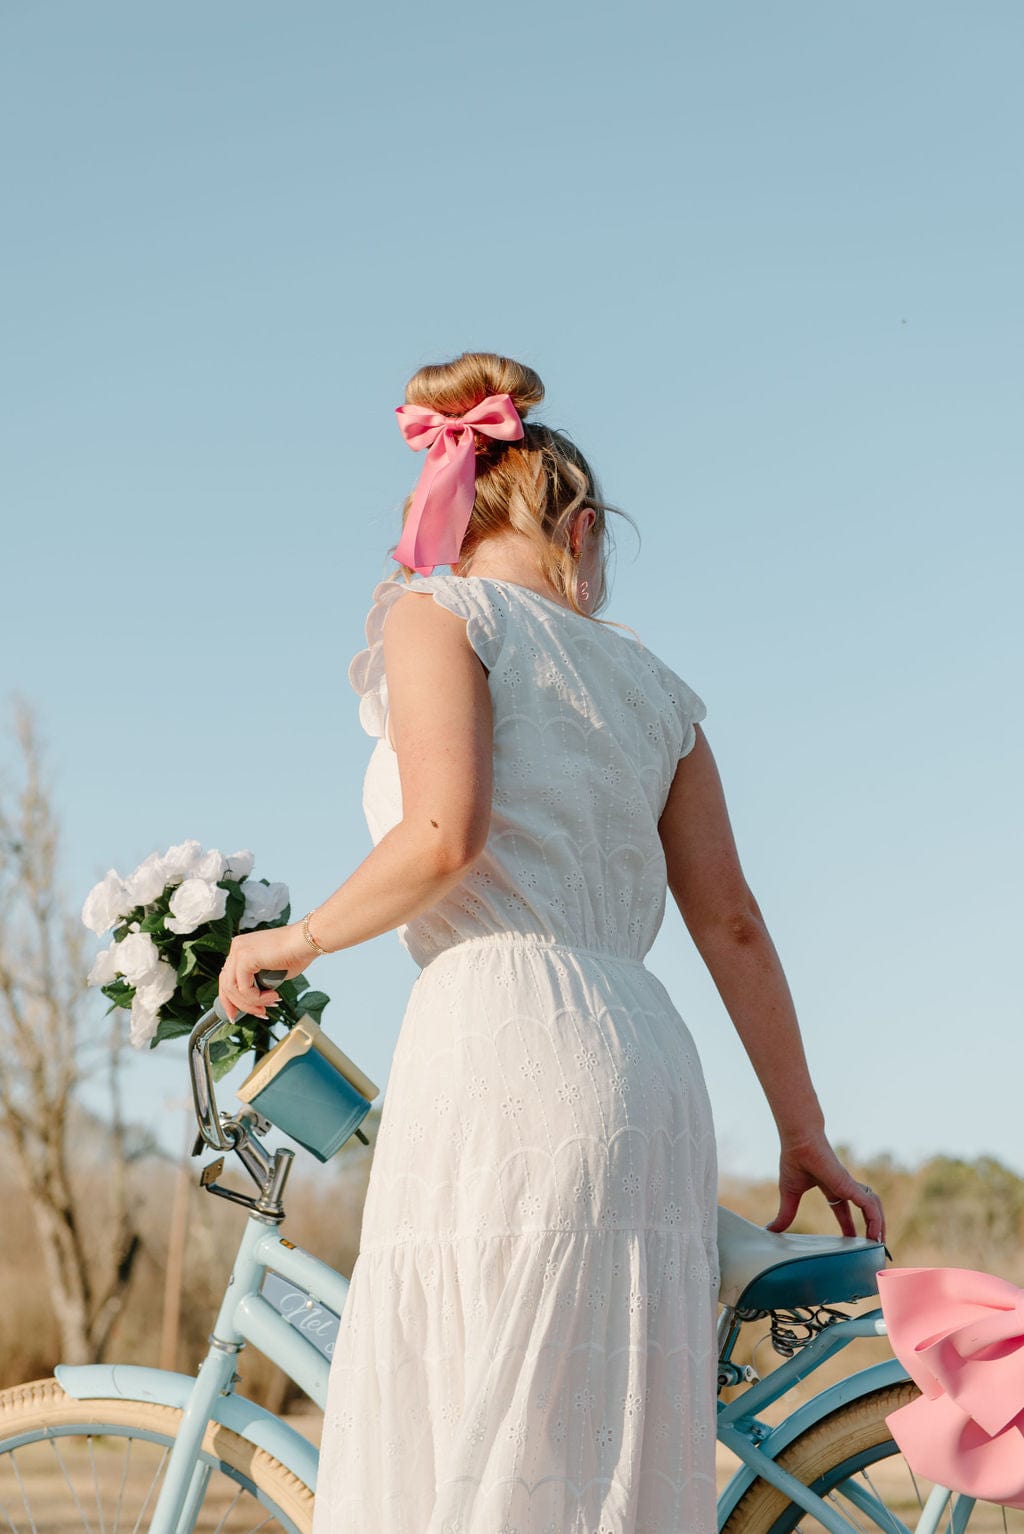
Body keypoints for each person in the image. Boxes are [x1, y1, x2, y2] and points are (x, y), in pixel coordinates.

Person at [218, 351, 886, 1534]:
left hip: (503, 1038)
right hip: (642, 1055)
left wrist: (297, 940)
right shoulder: (651, 685)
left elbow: (441, 838)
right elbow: (729, 921)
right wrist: (803, 1130)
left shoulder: (437, 614)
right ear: (578, 526)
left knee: (481, 1418)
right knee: (601, 1439)